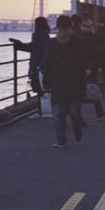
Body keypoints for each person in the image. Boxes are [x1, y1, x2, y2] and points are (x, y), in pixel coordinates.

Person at [42, 15, 86, 147]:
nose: (62, 33)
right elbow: (47, 63)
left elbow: (83, 61)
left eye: (64, 30)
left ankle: (77, 130)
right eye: (60, 30)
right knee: (58, 114)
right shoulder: (52, 43)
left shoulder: (78, 41)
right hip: (59, 83)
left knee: (74, 113)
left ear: (70, 28)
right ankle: (61, 140)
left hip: (73, 83)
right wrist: (46, 81)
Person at [9, 16, 50, 96]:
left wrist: (19, 45)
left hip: (37, 69)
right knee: (43, 92)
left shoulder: (38, 37)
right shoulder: (45, 36)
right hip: (42, 70)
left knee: (40, 91)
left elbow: (32, 48)